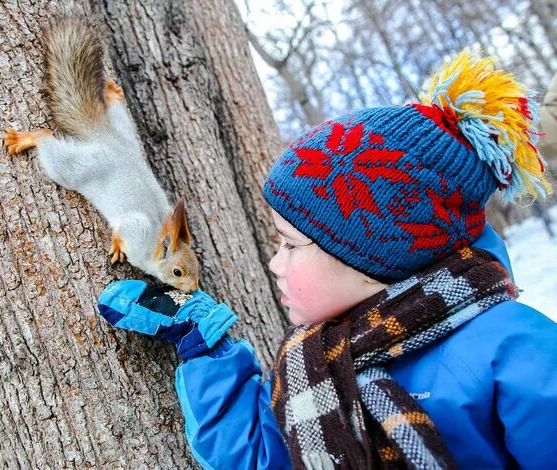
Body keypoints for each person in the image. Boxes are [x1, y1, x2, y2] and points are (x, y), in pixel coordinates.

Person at [97, 52, 557, 469]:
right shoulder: (318, 362)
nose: (275, 264)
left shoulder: (516, 349)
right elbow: (260, 456)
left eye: (291, 245)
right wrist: (204, 348)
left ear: (377, 256)